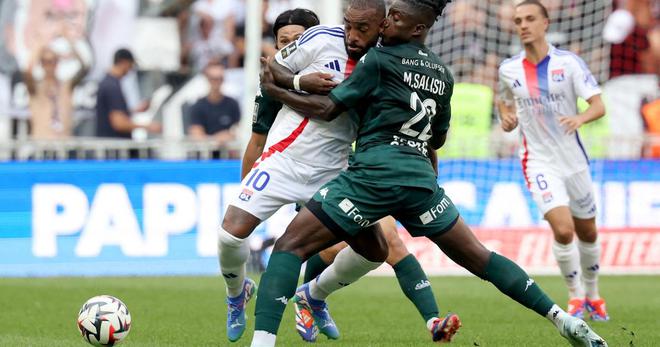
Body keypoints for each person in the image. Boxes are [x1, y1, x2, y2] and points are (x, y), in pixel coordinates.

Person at [252, 0, 608, 346]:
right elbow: (437, 137)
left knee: (290, 245)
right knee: (480, 257)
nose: (385, 23)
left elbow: (329, 109)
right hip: (421, 180)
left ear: (417, 27)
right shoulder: (443, 73)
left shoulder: (378, 58)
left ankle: (265, 339)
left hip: (372, 176)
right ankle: (562, 318)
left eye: (394, 19)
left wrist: (277, 88)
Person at [219, 3, 447, 343]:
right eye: (348, 26)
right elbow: (270, 76)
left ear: (381, 26)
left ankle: (314, 294)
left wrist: (428, 172)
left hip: (338, 169)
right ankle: (237, 293)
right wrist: (300, 81)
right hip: (285, 159)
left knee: (377, 250)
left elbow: (420, 130)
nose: (352, 36)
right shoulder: (320, 38)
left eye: (362, 28)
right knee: (229, 235)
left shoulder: (391, 61)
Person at [497, 0, 609, 322]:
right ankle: (575, 298)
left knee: (587, 232)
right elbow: (504, 102)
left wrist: (580, 117)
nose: (523, 25)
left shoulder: (568, 64)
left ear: (545, 23)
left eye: (530, 19)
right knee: (563, 230)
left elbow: (598, 105)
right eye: (518, 20)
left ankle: (594, 295)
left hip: (574, 161)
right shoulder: (509, 69)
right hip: (538, 161)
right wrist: (507, 118)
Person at [23, 34, 88, 139]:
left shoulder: (66, 86)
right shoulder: (35, 87)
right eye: (45, 62)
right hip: (41, 146)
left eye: (53, 61)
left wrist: (70, 41)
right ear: (41, 64)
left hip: (64, 146)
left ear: (57, 62)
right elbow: (27, 72)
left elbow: (84, 67)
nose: (49, 65)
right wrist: (41, 46)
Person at [95, 48, 160, 139]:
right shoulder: (112, 87)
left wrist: (134, 110)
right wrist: (148, 126)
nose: (131, 69)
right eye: (131, 65)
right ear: (123, 62)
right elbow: (119, 123)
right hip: (115, 147)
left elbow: (112, 113)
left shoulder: (107, 82)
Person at [188, 62, 240, 148]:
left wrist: (228, 136)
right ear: (207, 79)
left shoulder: (232, 104)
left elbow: (237, 131)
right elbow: (196, 135)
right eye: (213, 79)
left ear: (223, 79)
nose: (216, 82)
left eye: (219, 78)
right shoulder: (198, 106)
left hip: (228, 156)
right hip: (205, 157)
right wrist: (217, 139)